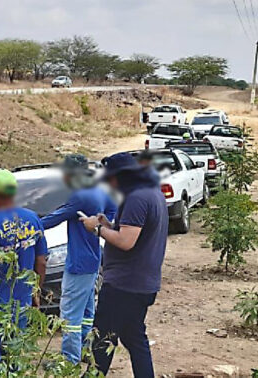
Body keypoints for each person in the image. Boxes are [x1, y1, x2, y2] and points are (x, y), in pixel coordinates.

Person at [80, 152, 168, 377]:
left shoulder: (136, 198)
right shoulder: (150, 192)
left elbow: (127, 242)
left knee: (102, 339)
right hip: (142, 283)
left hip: (124, 285)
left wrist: (96, 229)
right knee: (134, 338)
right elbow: (133, 233)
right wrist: (108, 224)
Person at [0, 168, 48, 373]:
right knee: (14, 357)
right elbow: (41, 262)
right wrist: (35, 291)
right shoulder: (32, 219)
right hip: (20, 304)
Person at [40, 155, 117, 365]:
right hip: (93, 261)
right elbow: (113, 214)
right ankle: (85, 351)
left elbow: (52, 219)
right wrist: (101, 222)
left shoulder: (80, 196)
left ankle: (69, 359)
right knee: (85, 311)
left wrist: (27, 223)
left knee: (70, 314)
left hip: (79, 263)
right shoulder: (100, 190)